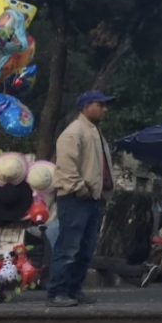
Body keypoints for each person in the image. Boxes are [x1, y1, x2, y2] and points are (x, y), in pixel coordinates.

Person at [47, 91, 118, 308]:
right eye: (101, 104)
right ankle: (58, 291)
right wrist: (81, 188)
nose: (105, 109)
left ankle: (73, 289)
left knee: (85, 249)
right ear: (87, 106)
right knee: (69, 247)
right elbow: (66, 168)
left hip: (91, 198)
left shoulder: (94, 132)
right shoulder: (74, 132)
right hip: (75, 198)